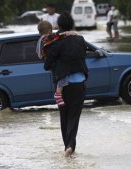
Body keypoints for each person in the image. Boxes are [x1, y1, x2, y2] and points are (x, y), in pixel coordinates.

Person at [44, 12, 88, 157]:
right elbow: (82, 55)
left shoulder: (56, 42)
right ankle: (70, 146)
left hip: (62, 87)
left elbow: (47, 64)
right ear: (72, 25)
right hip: (79, 84)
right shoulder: (80, 40)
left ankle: (67, 147)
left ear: (60, 25)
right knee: (74, 117)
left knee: (64, 117)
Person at [36, 20, 77, 106]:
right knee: (62, 76)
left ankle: (59, 92)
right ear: (50, 30)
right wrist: (69, 33)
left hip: (49, 62)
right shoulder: (48, 38)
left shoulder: (39, 40)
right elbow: (58, 36)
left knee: (60, 77)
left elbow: (39, 55)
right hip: (53, 62)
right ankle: (58, 94)